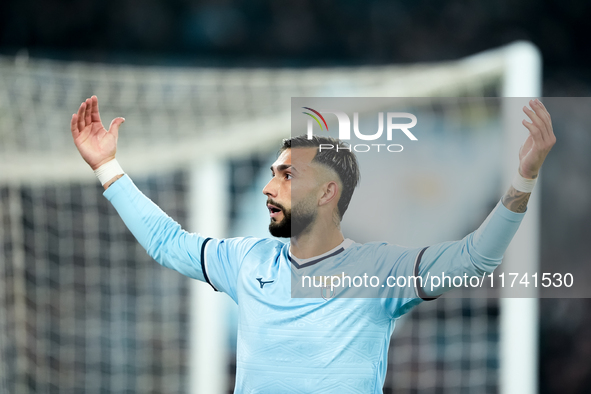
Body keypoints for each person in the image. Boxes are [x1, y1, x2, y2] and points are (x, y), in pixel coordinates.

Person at [70, 96, 555, 393]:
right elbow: (167, 243)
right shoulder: (246, 259)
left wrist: (524, 178)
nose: (269, 187)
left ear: (328, 194)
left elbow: (475, 259)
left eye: (287, 176)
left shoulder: (379, 273)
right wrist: (107, 168)